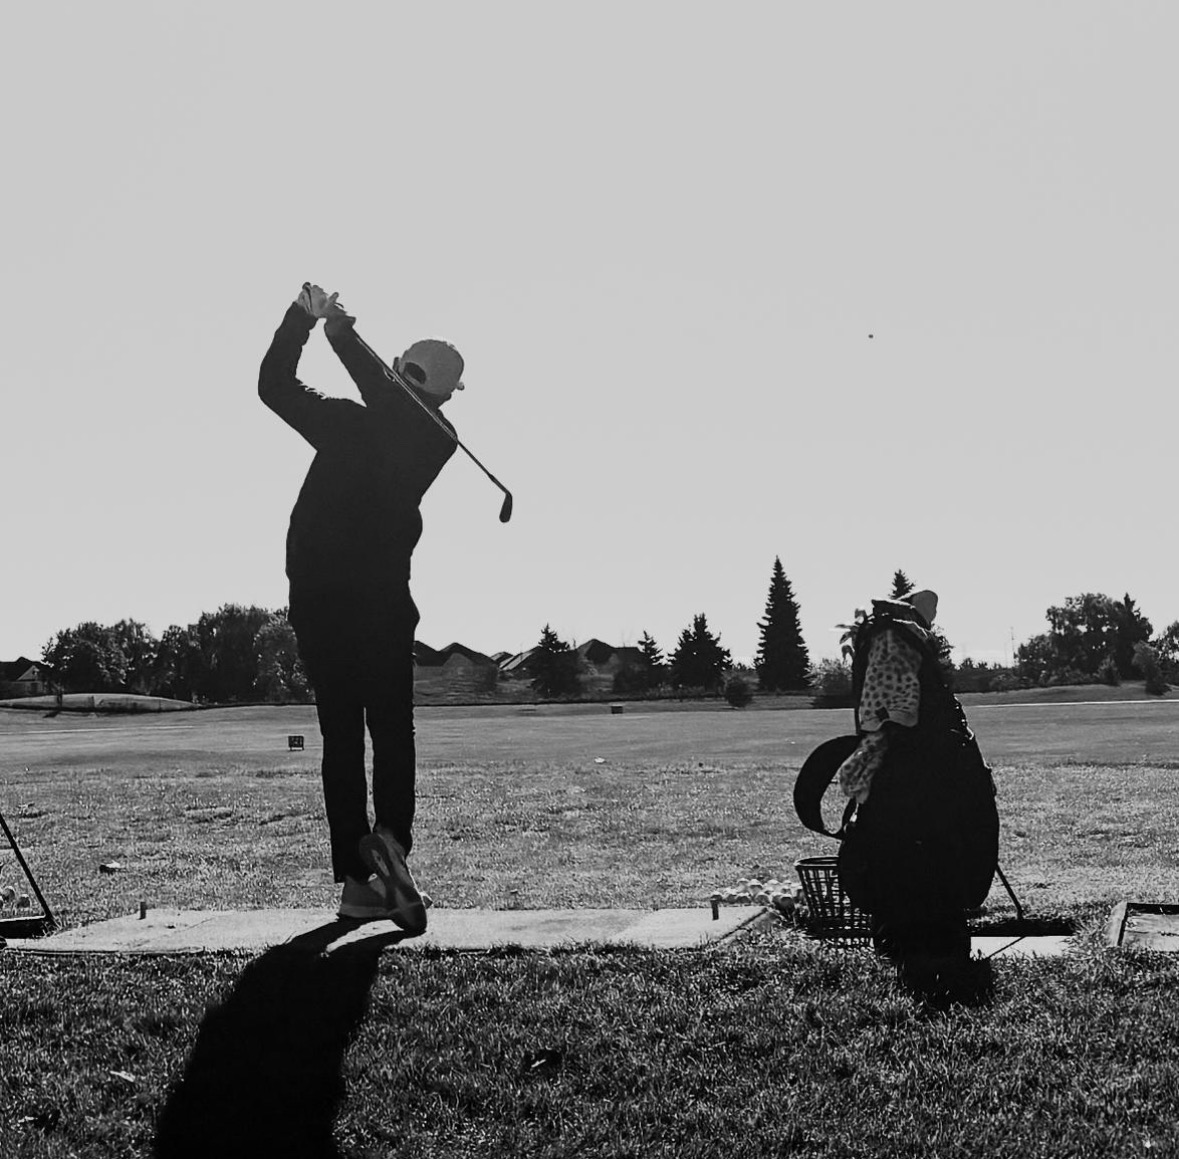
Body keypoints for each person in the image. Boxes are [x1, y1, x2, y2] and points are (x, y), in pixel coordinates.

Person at [259, 282, 465, 932]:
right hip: (380, 604)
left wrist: (311, 323)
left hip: (317, 602)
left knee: (342, 740)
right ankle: (393, 841)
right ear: (440, 391)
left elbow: (272, 385)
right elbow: (395, 402)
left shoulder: (353, 423)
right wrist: (343, 340)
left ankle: (356, 881)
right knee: (392, 729)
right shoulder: (438, 437)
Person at [834, 589, 999, 991]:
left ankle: (919, 947)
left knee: (912, 865)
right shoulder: (896, 638)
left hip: (905, 783)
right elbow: (901, 714)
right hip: (922, 782)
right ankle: (932, 949)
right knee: (926, 862)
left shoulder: (884, 637)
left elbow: (886, 715)